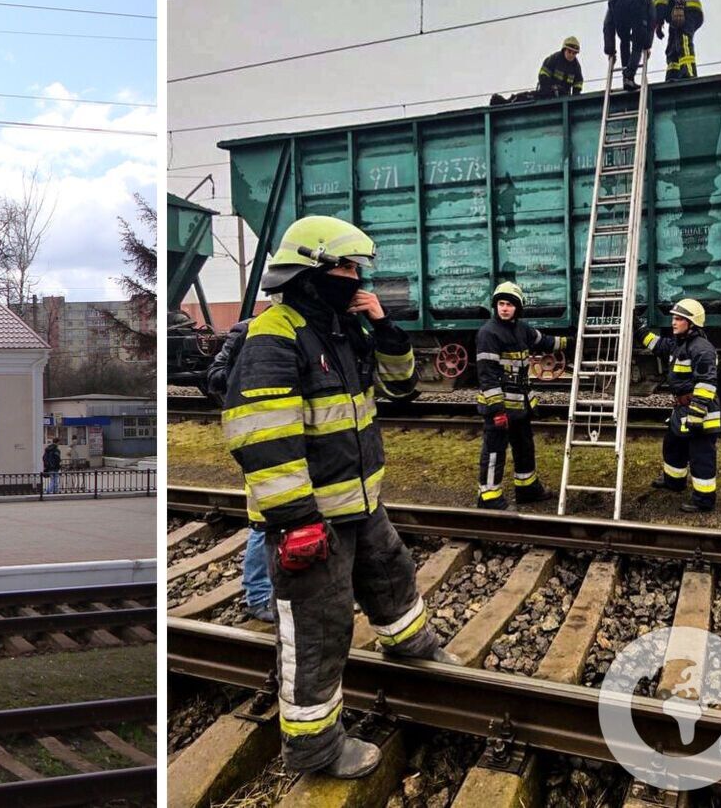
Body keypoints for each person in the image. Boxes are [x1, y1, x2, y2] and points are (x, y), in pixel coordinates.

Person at [222, 214, 458, 780]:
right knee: (319, 629)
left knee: (391, 575)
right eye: (348, 268)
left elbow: (401, 388)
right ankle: (314, 748)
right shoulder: (275, 335)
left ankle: (413, 647)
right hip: (311, 517)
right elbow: (260, 435)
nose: (357, 279)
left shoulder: (342, 331)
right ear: (313, 271)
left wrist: (387, 328)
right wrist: (297, 521)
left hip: (359, 502)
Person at [474, 281, 568, 509]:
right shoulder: (488, 333)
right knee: (495, 451)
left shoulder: (522, 329)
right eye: (501, 304)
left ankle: (527, 489)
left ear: (518, 308)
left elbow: (545, 342)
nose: (504, 308)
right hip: (500, 408)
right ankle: (489, 497)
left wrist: (573, 342)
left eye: (509, 305)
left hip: (520, 406)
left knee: (524, 447)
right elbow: (487, 376)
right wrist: (497, 411)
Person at [206, 320, 275, 625]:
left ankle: (267, 591)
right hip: (259, 438)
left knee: (277, 521)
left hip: (283, 435)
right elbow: (217, 376)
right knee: (262, 522)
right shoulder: (248, 331)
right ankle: (257, 595)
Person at [638, 298, 719, 511]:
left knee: (701, 455)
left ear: (691, 323)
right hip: (683, 409)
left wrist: (696, 413)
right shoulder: (679, 343)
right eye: (673, 318)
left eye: (678, 319)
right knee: (673, 445)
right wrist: (639, 328)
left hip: (699, 411)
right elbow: (656, 344)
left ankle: (704, 501)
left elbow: (706, 383)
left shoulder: (702, 349)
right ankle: (674, 482)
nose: (673, 322)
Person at [643, 0, 703, 80]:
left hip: (687, 10)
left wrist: (657, 23)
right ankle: (673, 74)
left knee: (683, 40)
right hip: (679, 12)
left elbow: (661, 1)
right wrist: (659, 24)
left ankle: (689, 73)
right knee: (672, 46)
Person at [603, 0, 654, 91]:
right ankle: (629, 76)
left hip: (617, 3)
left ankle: (626, 78)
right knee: (637, 44)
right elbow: (652, 19)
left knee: (624, 40)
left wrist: (610, 50)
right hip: (636, 3)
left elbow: (608, 24)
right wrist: (647, 44)